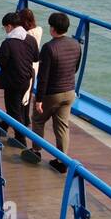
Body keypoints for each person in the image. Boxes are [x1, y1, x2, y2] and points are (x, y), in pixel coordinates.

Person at [22, 13, 84, 171]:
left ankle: (36, 151)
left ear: (53, 28)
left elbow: (43, 77)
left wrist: (39, 100)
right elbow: (75, 68)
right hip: (69, 91)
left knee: (38, 119)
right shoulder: (76, 44)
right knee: (62, 126)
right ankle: (62, 161)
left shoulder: (49, 48)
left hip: (52, 93)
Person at [0, 12, 39, 148]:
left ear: (9, 26)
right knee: (17, 106)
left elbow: (0, 62)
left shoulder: (8, 43)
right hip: (26, 80)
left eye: (5, 27)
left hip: (12, 81)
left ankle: (21, 140)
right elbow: (36, 57)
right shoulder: (30, 40)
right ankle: (4, 126)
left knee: (14, 110)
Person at [17, 8, 42, 113]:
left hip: (25, 65)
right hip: (34, 65)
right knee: (29, 90)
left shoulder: (26, 35)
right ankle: (25, 116)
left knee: (22, 93)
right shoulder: (39, 30)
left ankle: (19, 118)